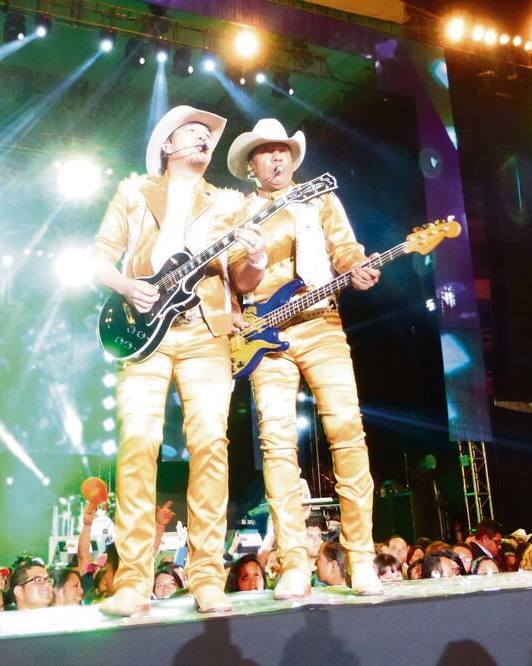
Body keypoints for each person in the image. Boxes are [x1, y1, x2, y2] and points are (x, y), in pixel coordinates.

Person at [92, 105, 265, 617]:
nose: (203, 140)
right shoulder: (134, 192)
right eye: (192, 133)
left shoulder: (231, 204)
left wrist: (255, 259)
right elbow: (99, 255)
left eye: (208, 137)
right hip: (144, 330)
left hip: (206, 333)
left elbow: (243, 282)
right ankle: (131, 581)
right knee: (138, 444)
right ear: (167, 144)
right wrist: (127, 286)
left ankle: (207, 576)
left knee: (210, 443)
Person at [225, 118, 383, 601]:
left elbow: (345, 247)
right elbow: (235, 278)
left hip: (321, 322)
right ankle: (293, 562)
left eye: (283, 151)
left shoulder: (319, 197)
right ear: (251, 165)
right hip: (266, 334)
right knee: (276, 444)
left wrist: (357, 268)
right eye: (266, 152)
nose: (277, 158)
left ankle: (361, 558)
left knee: (347, 432)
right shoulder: (240, 212)